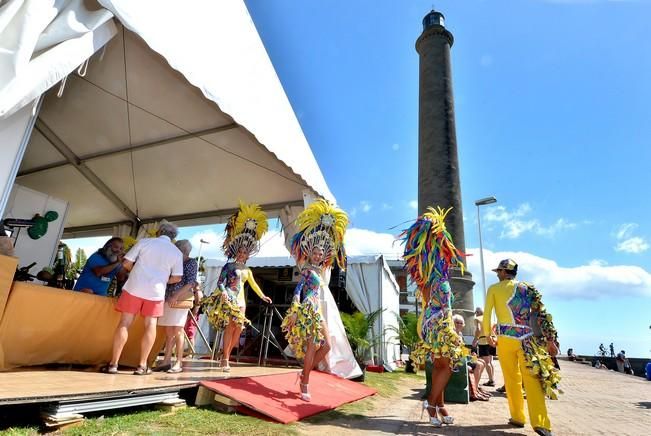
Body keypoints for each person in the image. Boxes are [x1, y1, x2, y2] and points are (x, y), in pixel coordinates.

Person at [401, 206, 466, 427]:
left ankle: (440, 406)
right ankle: (431, 404)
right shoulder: (428, 273)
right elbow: (429, 299)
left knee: (441, 366)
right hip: (436, 322)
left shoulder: (440, 271)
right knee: (445, 366)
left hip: (441, 321)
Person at [484, 259, 561, 436]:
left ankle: (518, 417)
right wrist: (550, 340)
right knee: (533, 380)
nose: (497, 274)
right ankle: (541, 424)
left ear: (504, 272)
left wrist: (488, 335)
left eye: (499, 271)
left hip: (505, 339)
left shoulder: (494, 289)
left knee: (512, 379)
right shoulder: (528, 288)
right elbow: (542, 315)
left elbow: (487, 313)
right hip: (527, 340)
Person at [281, 199, 348, 402]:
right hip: (309, 310)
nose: (318, 255)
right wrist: (294, 310)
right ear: (310, 254)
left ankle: (305, 372)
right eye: (315, 253)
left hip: (317, 311)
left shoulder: (320, 270)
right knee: (312, 346)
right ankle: (305, 383)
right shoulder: (308, 270)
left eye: (321, 253)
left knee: (326, 345)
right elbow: (298, 290)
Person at [103, 221, 183, 375]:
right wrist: (162, 279)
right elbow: (177, 278)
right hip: (156, 292)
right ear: (173, 238)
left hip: (134, 287)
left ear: (159, 232)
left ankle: (113, 364)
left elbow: (126, 263)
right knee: (150, 325)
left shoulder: (145, 242)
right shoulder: (176, 252)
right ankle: (142, 365)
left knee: (125, 322)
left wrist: (135, 272)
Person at [202, 203, 272, 372]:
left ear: (248, 255)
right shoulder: (229, 267)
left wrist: (263, 296)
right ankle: (225, 358)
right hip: (229, 300)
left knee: (239, 328)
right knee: (230, 327)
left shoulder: (247, 270)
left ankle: (224, 353)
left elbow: (253, 285)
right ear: (236, 252)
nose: (242, 254)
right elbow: (220, 282)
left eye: (245, 253)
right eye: (240, 251)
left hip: (241, 302)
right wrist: (225, 293)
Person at [156, 240, 198, 373]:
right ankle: (166, 360)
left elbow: (191, 282)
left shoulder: (191, 262)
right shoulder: (174, 261)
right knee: (168, 332)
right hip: (169, 298)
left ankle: (179, 362)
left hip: (179, 299)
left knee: (178, 331)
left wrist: (176, 296)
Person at [453, 314, 490, 401]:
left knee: (482, 362)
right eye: (456, 322)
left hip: (462, 357)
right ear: (453, 323)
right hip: (456, 360)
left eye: (461, 323)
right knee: (478, 364)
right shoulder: (452, 334)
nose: (459, 324)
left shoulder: (460, 334)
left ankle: (475, 389)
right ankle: (473, 392)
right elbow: (455, 350)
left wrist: (470, 354)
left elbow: (462, 349)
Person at [472, 307, 496, 387]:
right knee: (491, 361)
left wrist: (475, 339)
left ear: (477, 312)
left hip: (483, 341)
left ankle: (491, 380)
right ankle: (491, 379)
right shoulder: (489, 319)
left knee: (486, 362)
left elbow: (478, 329)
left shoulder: (477, 319)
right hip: (492, 340)